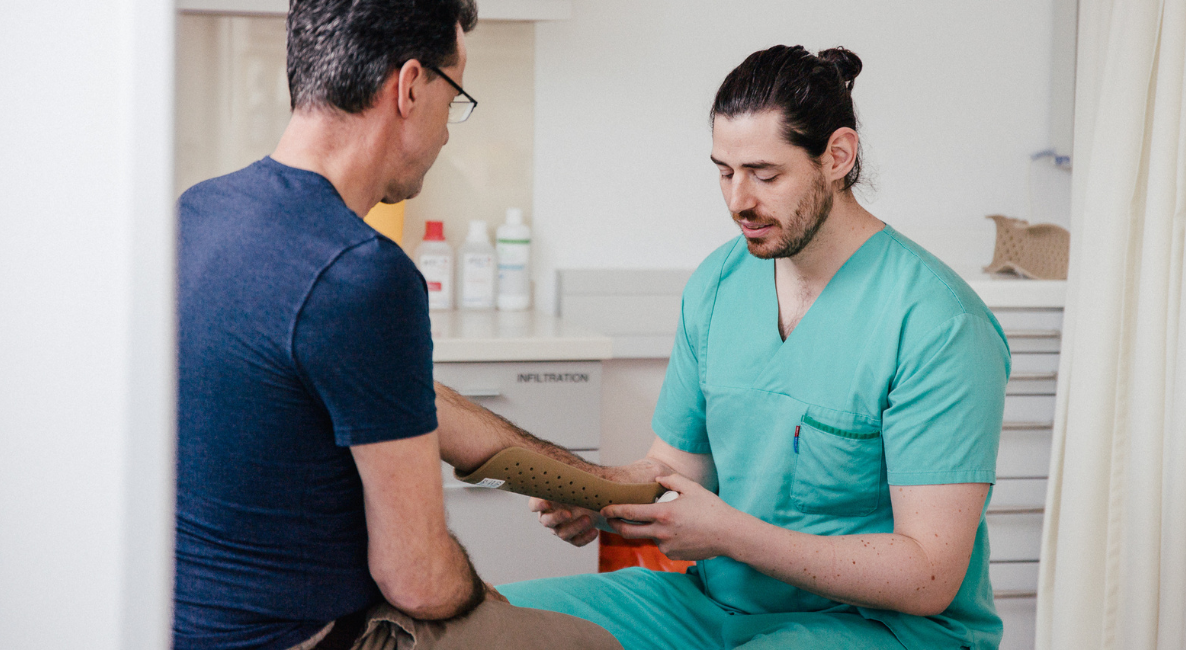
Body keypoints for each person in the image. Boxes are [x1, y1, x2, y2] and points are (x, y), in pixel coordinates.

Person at [500, 45, 1011, 650]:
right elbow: (674, 470)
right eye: (724, 171)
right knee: (490, 626)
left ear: (836, 157)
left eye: (765, 175)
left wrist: (731, 535)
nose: (738, 200)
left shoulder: (937, 322)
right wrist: (601, 495)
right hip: (714, 607)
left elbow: (928, 576)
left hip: (880, 626)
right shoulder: (718, 286)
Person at [173, 1, 620, 649]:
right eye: (454, 96)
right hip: (304, 637)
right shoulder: (361, 272)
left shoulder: (200, 211)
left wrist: (590, 483)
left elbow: (415, 406)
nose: (446, 132)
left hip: (182, 628)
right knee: (597, 643)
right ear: (410, 86)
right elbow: (419, 581)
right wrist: (483, 597)